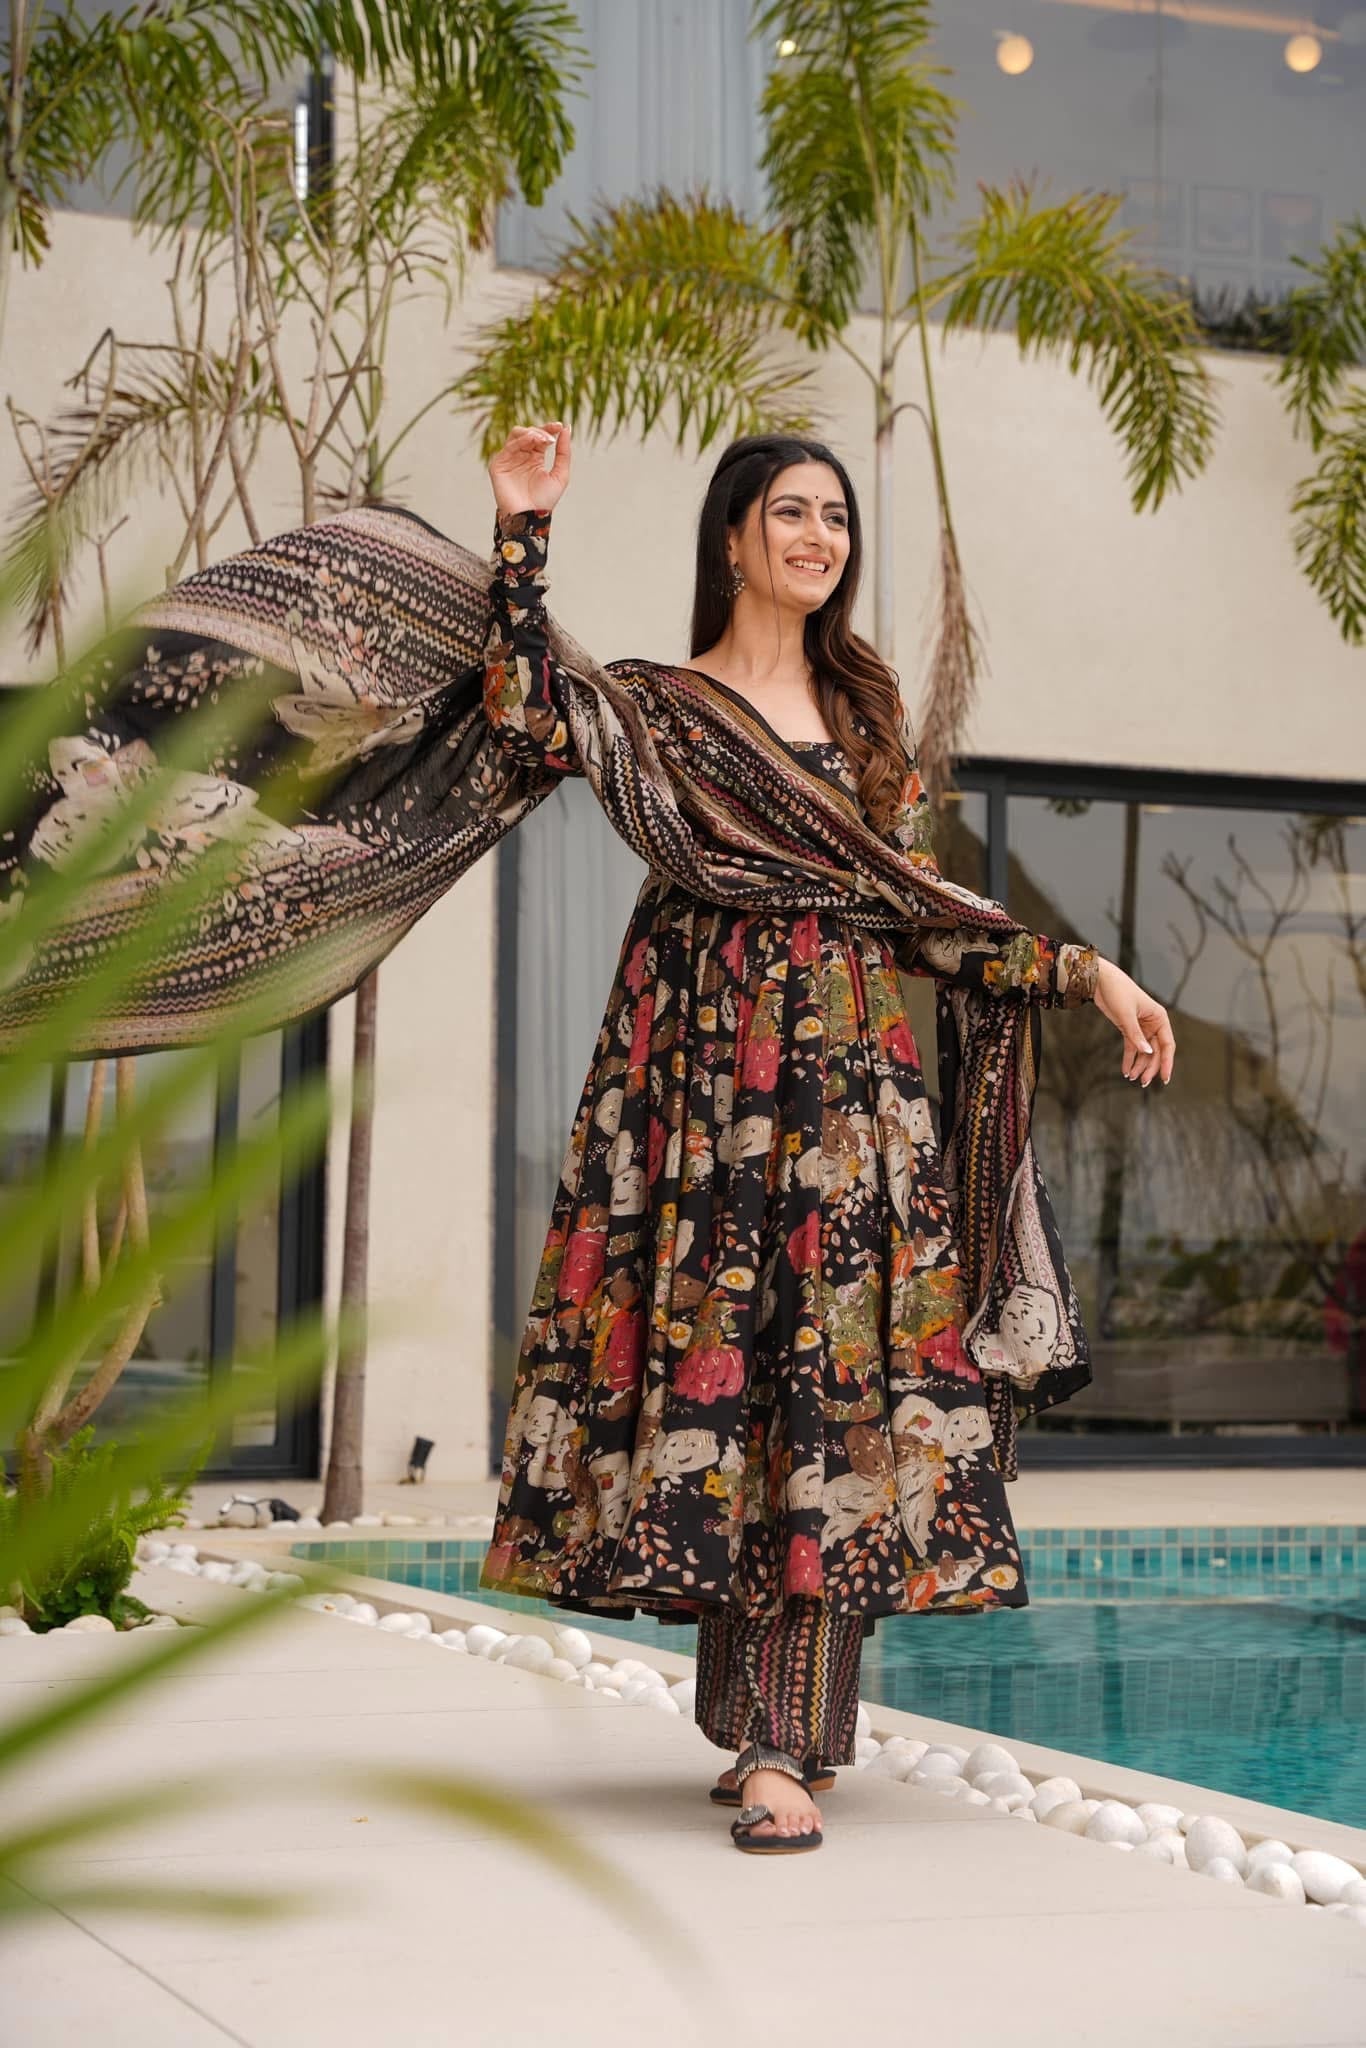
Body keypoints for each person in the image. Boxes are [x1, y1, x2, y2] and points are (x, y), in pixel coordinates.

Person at [476, 420, 1176, 1855]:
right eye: (791, 512)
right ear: (733, 537)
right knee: (725, 1392)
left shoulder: (864, 714)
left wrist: (1084, 972)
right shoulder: (659, 708)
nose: (817, 538)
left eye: (836, 518)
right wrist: (522, 528)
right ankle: (761, 1730)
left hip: (847, 1101)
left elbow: (922, 911)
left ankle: (785, 1742)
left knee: (832, 1388)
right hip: (695, 1096)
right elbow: (524, 722)